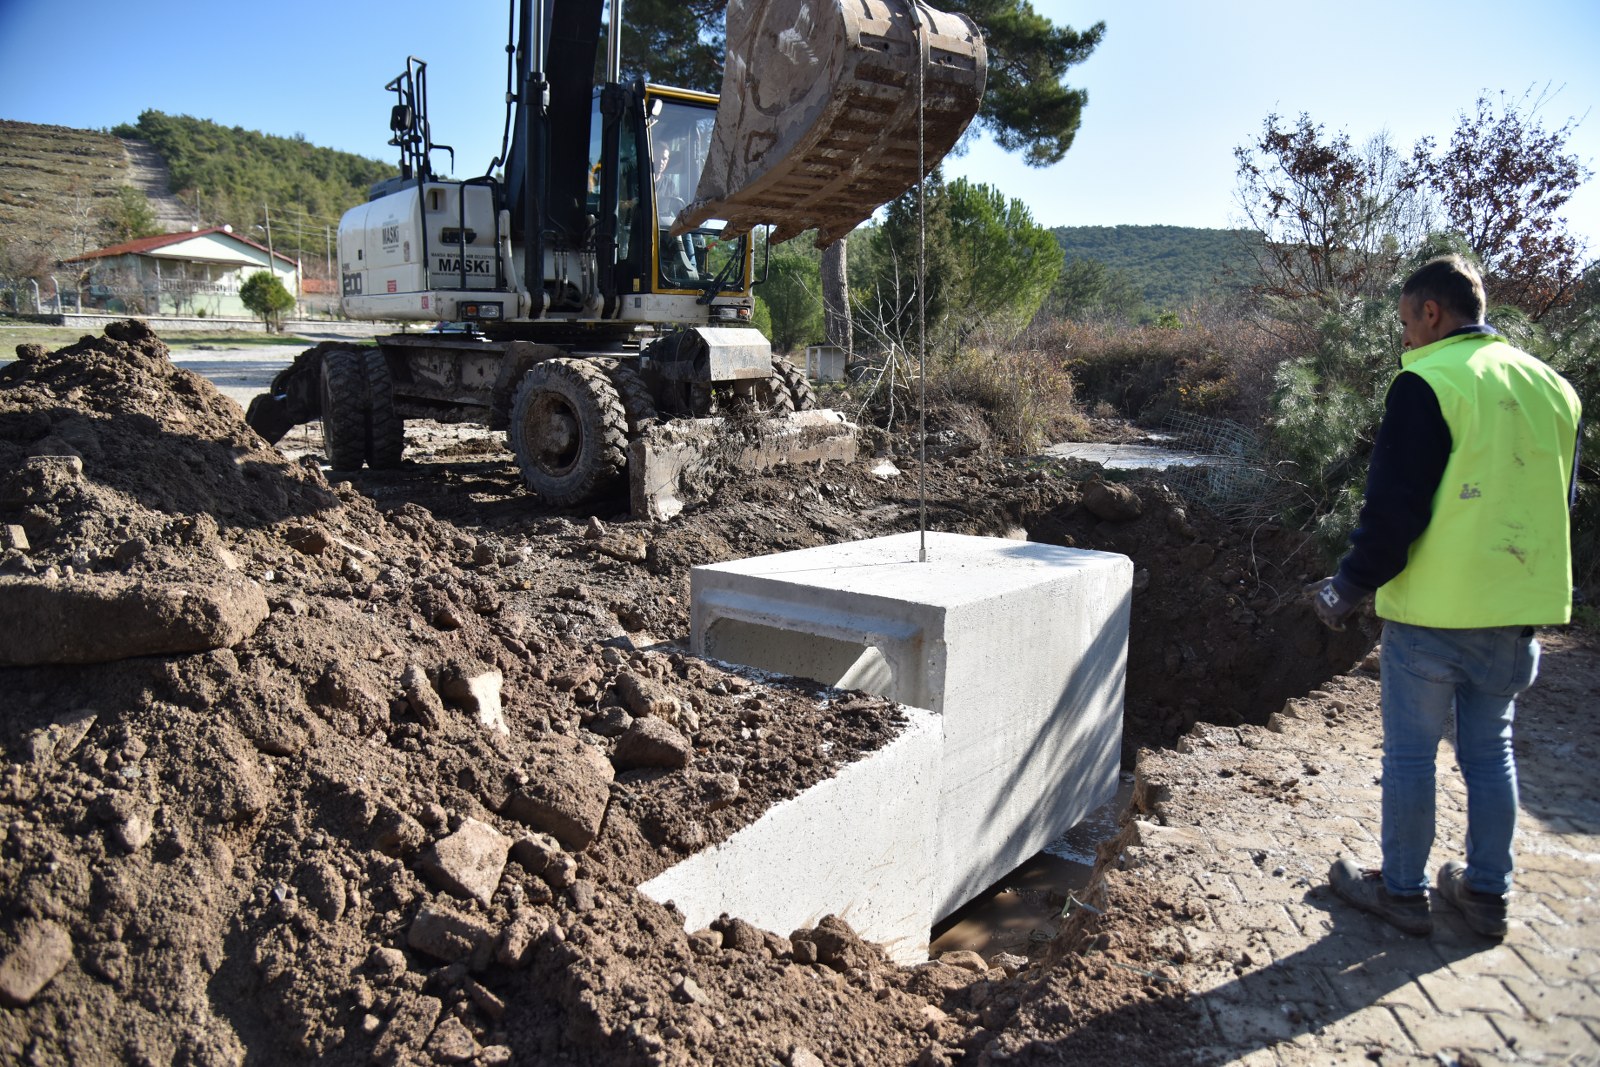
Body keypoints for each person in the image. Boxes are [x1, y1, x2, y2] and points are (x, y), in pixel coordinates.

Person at [1305, 254, 1582, 939]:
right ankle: (1488, 893)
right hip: (1518, 614)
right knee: (1492, 752)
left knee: (1409, 756)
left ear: (1432, 312)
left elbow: (1395, 507)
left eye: (1406, 322)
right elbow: (1557, 500)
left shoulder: (1428, 381)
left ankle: (1401, 891)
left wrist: (1349, 585)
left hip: (1434, 612)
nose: (1405, 339)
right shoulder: (1554, 388)